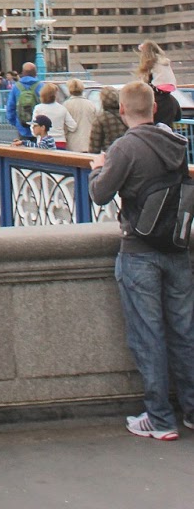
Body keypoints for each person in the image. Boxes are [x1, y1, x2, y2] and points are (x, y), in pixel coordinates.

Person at [88, 80, 194, 441]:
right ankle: (192, 410)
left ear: (122, 111)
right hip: (177, 247)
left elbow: (100, 194)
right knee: (184, 332)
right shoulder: (178, 144)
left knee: (148, 335)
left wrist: (97, 167)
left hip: (140, 249)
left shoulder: (124, 148)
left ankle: (160, 418)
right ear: (153, 109)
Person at [33, 82, 76, 149]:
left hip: (42, 142)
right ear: (55, 95)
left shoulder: (38, 108)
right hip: (60, 142)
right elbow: (73, 126)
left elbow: (33, 127)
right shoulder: (62, 108)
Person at [5, 63, 40, 144]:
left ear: (23, 73)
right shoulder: (41, 86)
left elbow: (10, 107)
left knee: (23, 150)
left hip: (22, 126)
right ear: (35, 73)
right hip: (38, 127)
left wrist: (15, 122)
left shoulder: (16, 87)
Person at [63, 79, 96, 153]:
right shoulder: (90, 104)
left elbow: (64, 127)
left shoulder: (66, 105)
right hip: (88, 143)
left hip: (72, 144)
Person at [90, 87, 126, 153]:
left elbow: (94, 147)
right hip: (128, 154)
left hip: (110, 156)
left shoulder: (100, 119)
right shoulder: (126, 115)